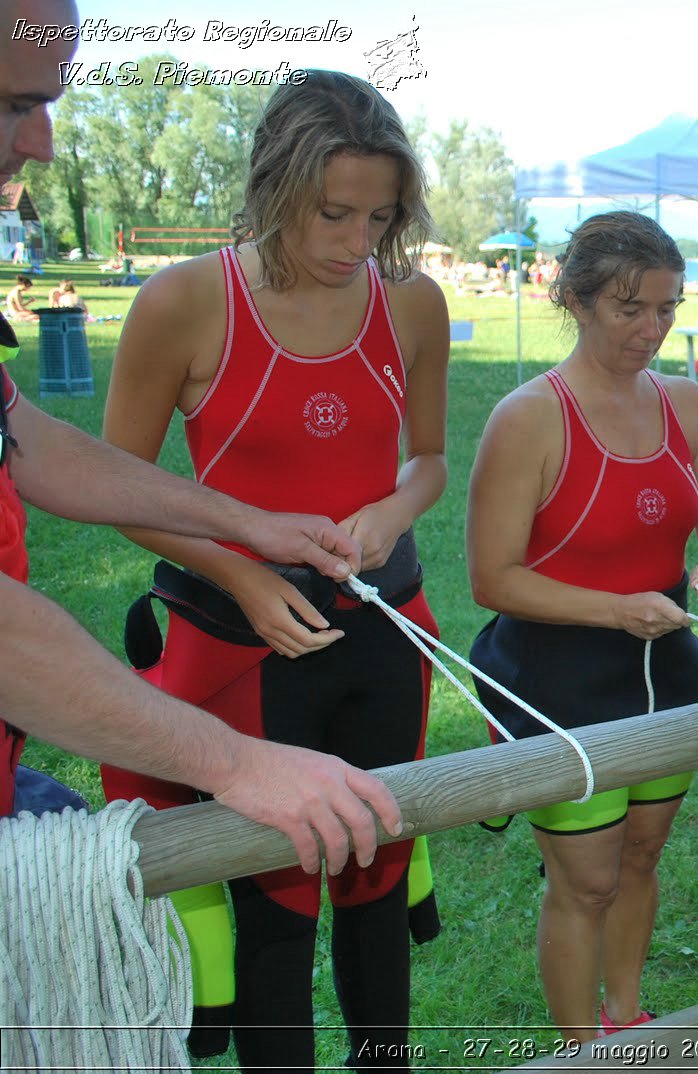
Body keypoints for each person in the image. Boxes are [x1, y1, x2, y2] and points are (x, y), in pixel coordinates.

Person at [0, 0, 399, 881]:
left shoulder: (404, 302)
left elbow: (27, 442)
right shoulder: (188, 299)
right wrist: (236, 763)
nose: (44, 145)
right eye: (13, 105)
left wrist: (247, 523)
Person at [99, 70, 450, 1069]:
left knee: (377, 888)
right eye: (332, 213)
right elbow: (118, 487)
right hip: (241, 645)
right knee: (276, 907)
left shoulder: (409, 302)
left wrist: (392, 508)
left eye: (377, 216)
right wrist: (248, 576)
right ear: (273, 188)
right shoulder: (185, 301)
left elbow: (428, 462)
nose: (354, 242)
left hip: (386, 626)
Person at [467, 210, 698, 1044]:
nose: (652, 330)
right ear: (578, 302)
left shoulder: (688, 403)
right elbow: (493, 579)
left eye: (667, 309)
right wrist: (617, 610)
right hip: (560, 677)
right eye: (631, 309)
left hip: (664, 668)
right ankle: (581, 1046)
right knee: (583, 881)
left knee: (641, 857)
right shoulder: (530, 417)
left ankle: (628, 1019)